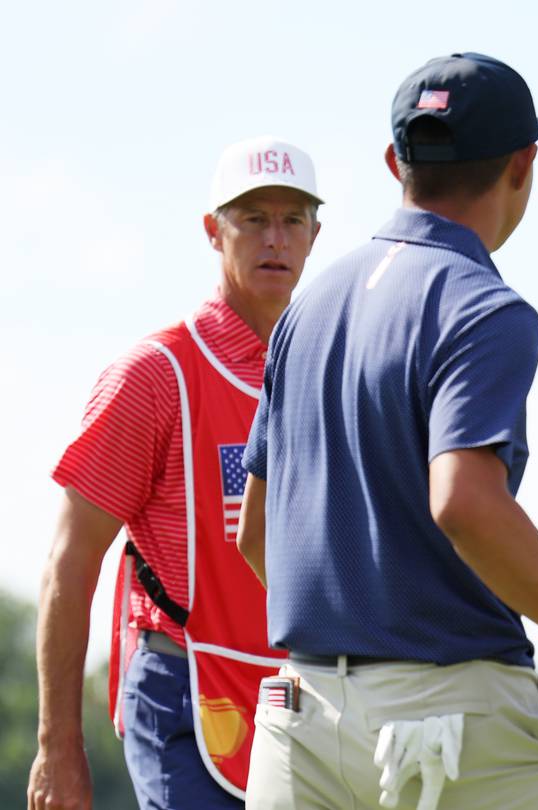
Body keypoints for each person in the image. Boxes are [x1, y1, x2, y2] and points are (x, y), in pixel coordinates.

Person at [237, 52, 538, 810]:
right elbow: (465, 503)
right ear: (523, 166)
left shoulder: (306, 308)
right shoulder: (482, 306)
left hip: (298, 723)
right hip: (447, 731)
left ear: (395, 162)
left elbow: (257, 534)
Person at [28, 137, 324, 810]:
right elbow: (69, 563)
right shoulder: (156, 374)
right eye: (252, 219)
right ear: (212, 231)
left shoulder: (324, 373)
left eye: (292, 219)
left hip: (295, 698)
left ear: (315, 234)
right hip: (179, 689)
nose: (274, 238)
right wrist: (58, 745)